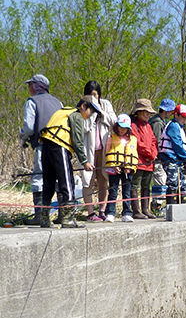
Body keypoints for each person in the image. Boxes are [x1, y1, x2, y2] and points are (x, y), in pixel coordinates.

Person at [39, 95, 101, 228]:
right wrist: (85, 161)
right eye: (92, 111)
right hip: (60, 146)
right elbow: (78, 140)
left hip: (46, 145)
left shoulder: (63, 111)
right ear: (83, 106)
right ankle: (67, 218)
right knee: (67, 182)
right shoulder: (77, 115)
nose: (92, 115)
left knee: (48, 182)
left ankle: (44, 218)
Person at [19, 74, 63, 225]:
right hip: (60, 148)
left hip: (42, 145)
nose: (29, 88)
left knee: (39, 177)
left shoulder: (32, 102)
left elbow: (29, 127)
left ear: (35, 85)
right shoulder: (58, 102)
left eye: (30, 84)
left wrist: (23, 138)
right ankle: (63, 215)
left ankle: (40, 216)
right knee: (58, 179)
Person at [81, 80, 117, 222]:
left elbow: (114, 121)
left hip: (103, 149)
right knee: (87, 180)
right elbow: (83, 128)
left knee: (103, 180)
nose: (93, 98)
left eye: (95, 95)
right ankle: (91, 213)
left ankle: (102, 210)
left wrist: (101, 112)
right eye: (90, 95)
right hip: (88, 150)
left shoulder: (106, 104)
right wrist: (91, 113)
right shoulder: (82, 107)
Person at [104, 114, 138, 222]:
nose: (122, 130)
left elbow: (134, 154)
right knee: (113, 191)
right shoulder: (111, 138)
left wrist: (129, 167)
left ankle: (127, 213)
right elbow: (108, 152)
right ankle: (110, 213)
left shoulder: (133, 139)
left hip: (127, 170)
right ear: (116, 126)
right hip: (114, 169)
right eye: (120, 127)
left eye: (125, 127)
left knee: (127, 192)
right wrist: (113, 165)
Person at [158, 104, 186, 204]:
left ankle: (181, 205)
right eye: (183, 117)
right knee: (173, 183)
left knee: (182, 184)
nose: (185, 120)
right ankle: (171, 207)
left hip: (177, 161)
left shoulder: (179, 127)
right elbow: (177, 146)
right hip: (170, 159)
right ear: (176, 115)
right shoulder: (173, 126)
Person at [130, 99, 159, 219]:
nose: (148, 115)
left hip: (149, 162)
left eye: (149, 112)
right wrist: (150, 154)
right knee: (135, 185)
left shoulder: (148, 126)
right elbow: (137, 142)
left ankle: (145, 209)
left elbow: (154, 141)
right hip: (138, 161)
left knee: (146, 186)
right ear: (139, 112)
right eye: (146, 112)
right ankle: (136, 211)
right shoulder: (133, 125)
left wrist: (154, 153)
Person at [149, 98, 176, 187]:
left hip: (156, 157)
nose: (171, 113)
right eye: (170, 111)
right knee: (161, 180)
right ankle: (157, 200)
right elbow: (157, 141)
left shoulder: (160, 121)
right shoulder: (157, 123)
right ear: (165, 111)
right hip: (155, 158)